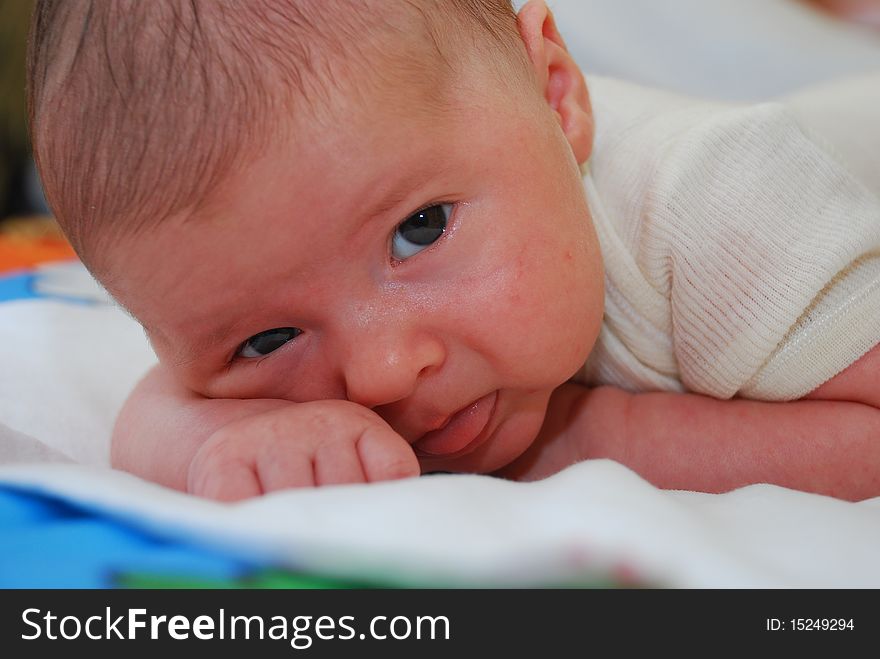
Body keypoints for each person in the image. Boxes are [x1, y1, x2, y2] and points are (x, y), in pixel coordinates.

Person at [27, 0, 880, 501]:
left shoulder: (720, 209)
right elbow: (158, 407)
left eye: (420, 230)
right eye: (268, 339)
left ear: (556, 97)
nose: (381, 375)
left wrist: (585, 440)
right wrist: (217, 450)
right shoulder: (272, 258)